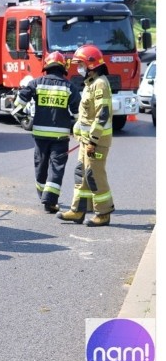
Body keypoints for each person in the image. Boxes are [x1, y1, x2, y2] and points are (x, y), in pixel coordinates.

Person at [13, 51, 81, 213]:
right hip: (61, 137)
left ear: (47, 67)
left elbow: (17, 106)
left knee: (41, 166)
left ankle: (42, 194)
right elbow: (79, 115)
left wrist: (24, 118)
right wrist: (75, 129)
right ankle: (50, 201)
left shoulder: (36, 83)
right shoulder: (70, 87)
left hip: (40, 136)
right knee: (56, 168)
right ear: (63, 68)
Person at [57, 45, 114, 227]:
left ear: (91, 64)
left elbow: (102, 115)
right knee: (81, 174)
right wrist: (78, 132)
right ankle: (77, 211)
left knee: (94, 175)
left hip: (95, 142)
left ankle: (103, 213)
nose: (78, 68)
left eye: (80, 64)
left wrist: (93, 140)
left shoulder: (100, 84)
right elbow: (86, 116)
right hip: (86, 141)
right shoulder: (91, 83)